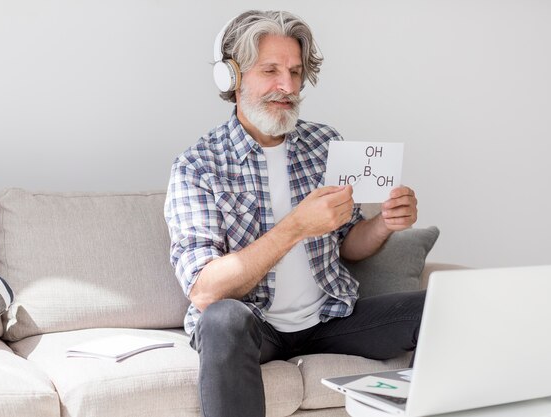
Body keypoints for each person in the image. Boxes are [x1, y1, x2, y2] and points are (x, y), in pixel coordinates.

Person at [164, 10, 425, 417]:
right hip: (256, 326)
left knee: (438, 308)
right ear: (231, 78)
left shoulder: (325, 142)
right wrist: (297, 226)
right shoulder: (198, 166)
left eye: (295, 72)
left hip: (328, 318)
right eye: (270, 70)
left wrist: (383, 225)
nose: (287, 86)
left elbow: (349, 243)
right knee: (221, 320)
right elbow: (205, 290)